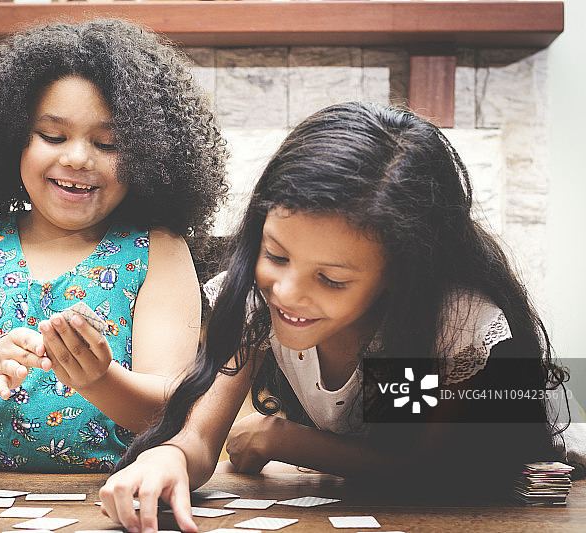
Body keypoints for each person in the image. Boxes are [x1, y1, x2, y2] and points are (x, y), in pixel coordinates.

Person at [98, 102, 579, 533]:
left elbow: (414, 470)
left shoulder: (445, 320)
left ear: (403, 276)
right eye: (277, 256)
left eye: (331, 279)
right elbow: (200, 439)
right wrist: (170, 455)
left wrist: (281, 438)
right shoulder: (255, 299)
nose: (287, 293)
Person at [0, 18, 228, 472]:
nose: (77, 157)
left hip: (101, 498)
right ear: (11, 140)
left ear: (146, 154)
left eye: (108, 142)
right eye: (53, 136)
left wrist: (98, 377)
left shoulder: (157, 251)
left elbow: (169, 408)